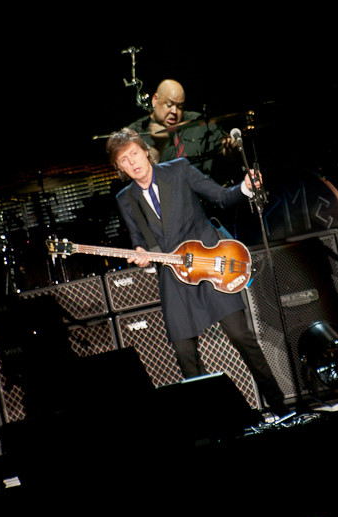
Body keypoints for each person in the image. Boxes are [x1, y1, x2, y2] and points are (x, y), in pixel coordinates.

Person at [106, 127, 290, 418]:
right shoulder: (125, 199)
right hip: (174, 276)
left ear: (144, 151)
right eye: (124, 161)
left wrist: (244, 188)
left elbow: (221, 197)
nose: (132, 163)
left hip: (211, 264)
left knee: (241, 336)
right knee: (184, 355)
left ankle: (280, 407)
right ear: (119, 168)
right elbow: (140, 243)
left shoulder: (178, 169)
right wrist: (142, 256)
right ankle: (216, 421)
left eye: (134, 154)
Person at [128, 79, 238, 179]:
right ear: (155, 100)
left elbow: (230, 160)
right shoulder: (135, 133)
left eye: (179, 106)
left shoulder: (199, 123)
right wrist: (158, 146)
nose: (174, 111)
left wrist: (230, 151)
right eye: (169, 105)